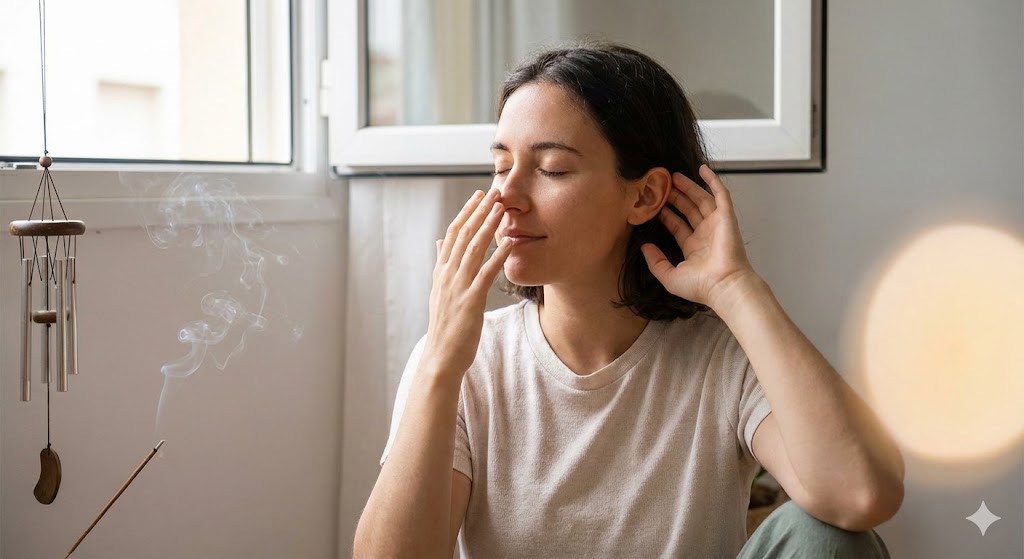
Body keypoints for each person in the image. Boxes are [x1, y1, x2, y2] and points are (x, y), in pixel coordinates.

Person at [354, 42, 904, 558]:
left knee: (829, 537)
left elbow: (861, 495)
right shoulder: (467, 362)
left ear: (644, 195)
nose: (507, 197)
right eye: (501, 166)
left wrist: (737, 288)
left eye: (551, 169)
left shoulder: (721, 359)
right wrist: (440, 365)